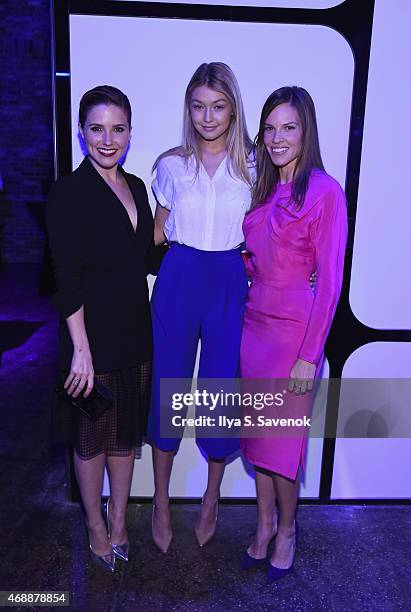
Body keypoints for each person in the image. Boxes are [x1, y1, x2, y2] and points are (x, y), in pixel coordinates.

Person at [47, 85, 156, 572]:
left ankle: (118, 520)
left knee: (125, 437)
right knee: (91, 439)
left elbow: (144, 256)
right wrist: (80, 349)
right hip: (89, 341)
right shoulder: (70, 192)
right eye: (97, 128)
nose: (107, 139)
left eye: (118, 129)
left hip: (135, 333)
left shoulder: (134, 186)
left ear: (130, 132)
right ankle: (94, 524)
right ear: (81, 132)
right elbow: (65, 277)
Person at [240, 86, 347, 581]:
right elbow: (256, 256)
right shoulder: (263, 190)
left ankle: (287, 529)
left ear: (306, 132)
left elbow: (329, 284)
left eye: (289, 127)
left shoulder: (325, 192)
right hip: (252, 330)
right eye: (270, 128)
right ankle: (262, 525)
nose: (278, 138)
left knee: (281, 447)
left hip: (293, 340)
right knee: (259, 440)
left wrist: (311, 353)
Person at [146, 62, 254, 552]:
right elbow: (154, 234)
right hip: (179, 276)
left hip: (230, 279)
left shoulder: (255, 165)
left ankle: (211, 496)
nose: (207, 117)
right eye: (198, 106)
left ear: (233, 110)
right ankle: (162, 500)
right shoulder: (170, 166)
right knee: (169, 386)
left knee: (219, 387)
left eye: (218, 107)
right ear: (187, 108)